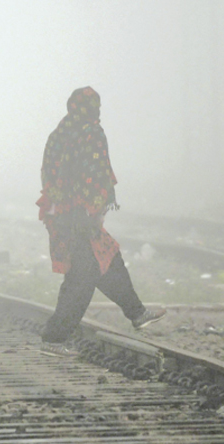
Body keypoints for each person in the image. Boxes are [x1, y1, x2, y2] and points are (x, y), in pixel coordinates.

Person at [36, 87, 166, 357]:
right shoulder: (91, 132)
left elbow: (47, 173)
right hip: (82, 214)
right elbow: (97, 175)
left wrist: (59, 206)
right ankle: (53, 339)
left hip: (61, 213)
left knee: (107, 258)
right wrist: (94, 211)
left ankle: (137, 313)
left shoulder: (58, 134)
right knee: (82, 278)